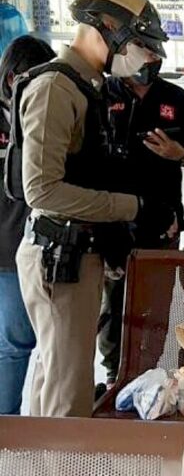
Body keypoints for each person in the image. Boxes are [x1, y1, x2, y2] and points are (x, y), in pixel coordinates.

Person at [12, 0, 175, 418]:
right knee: (69, 394)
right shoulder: (55, 89)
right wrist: (133, 207)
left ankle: (47, 458)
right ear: (108, 29)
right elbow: (42, 191)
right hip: (57, 257)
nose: (145, 57)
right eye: (139, 43)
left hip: (76, 253)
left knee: (59, 376)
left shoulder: (90, 85)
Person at [97, 53, 184, 393]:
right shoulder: (103, 94)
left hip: (164, 218)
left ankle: (148, 370)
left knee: (157, 302)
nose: (153, 60)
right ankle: (115, 373)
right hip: (113, 219)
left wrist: (178, 154)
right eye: (146, 51)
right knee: (115, 301)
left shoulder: (176, 98)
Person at [0, 35, 56, 415]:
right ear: (12, 79)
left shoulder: (42, 116)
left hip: (32, 245)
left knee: (26, 342)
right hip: (6, 250)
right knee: (14, 343)